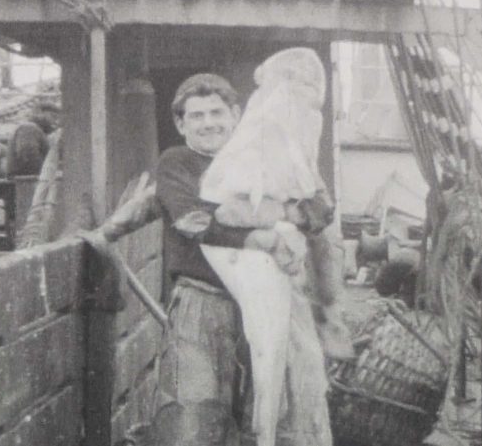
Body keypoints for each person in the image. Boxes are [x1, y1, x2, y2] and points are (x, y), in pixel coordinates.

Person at [95, 73, 337, 446]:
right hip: (202, 305)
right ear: (181, 124)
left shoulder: (264, 156)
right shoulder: (177, 163)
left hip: (273, 304)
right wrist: (265, 238)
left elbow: (321, 208)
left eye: (216, 113)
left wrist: (280, 210)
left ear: (236, 115)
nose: (208, 123)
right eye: (197, 116)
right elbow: (193, 221)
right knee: (194, 420)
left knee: (279, 418)